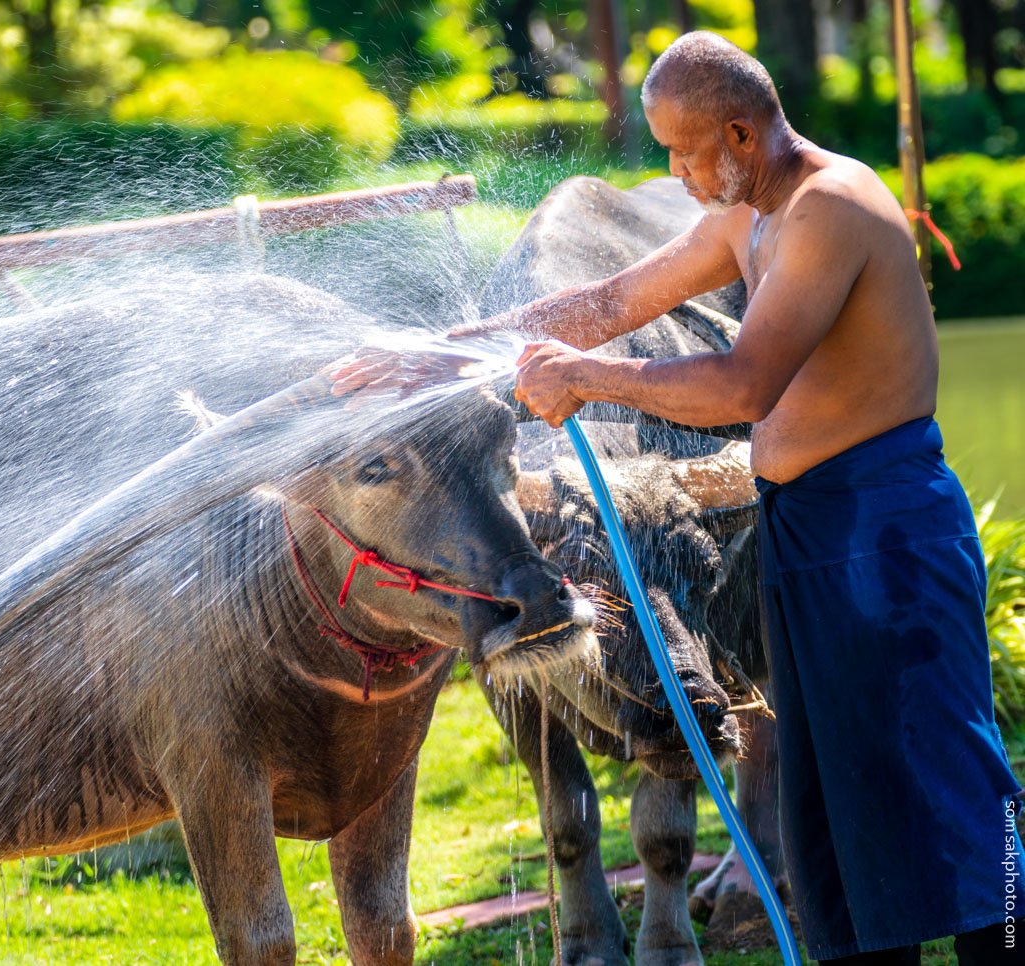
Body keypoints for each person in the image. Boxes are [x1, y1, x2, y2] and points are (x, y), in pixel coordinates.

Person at [332, 31, 1025, 965]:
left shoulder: (829, 207)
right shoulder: (747, 215)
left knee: (951, 775)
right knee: (832, 800)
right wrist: (442, 356)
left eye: (684, 151)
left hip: (888, 529)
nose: (673, 173)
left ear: (741, 135)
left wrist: (588, 379)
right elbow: (613, 302)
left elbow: (745, 386)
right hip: (806, 528)